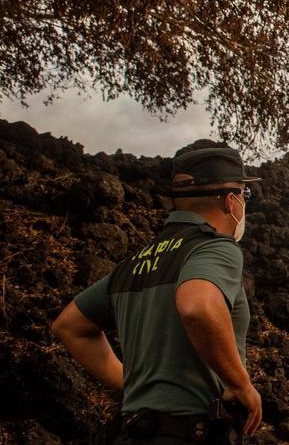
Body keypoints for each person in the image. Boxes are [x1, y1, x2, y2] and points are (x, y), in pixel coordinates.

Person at [51, 147, 263, 444]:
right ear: (231, 201)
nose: (244, 203)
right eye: (245, 195)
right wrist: (240, 384)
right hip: (192, 431)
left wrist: (132, 384)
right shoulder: (215, 248)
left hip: (133, 432)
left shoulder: (135, 262)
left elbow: (69, 326)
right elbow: (197, 306)